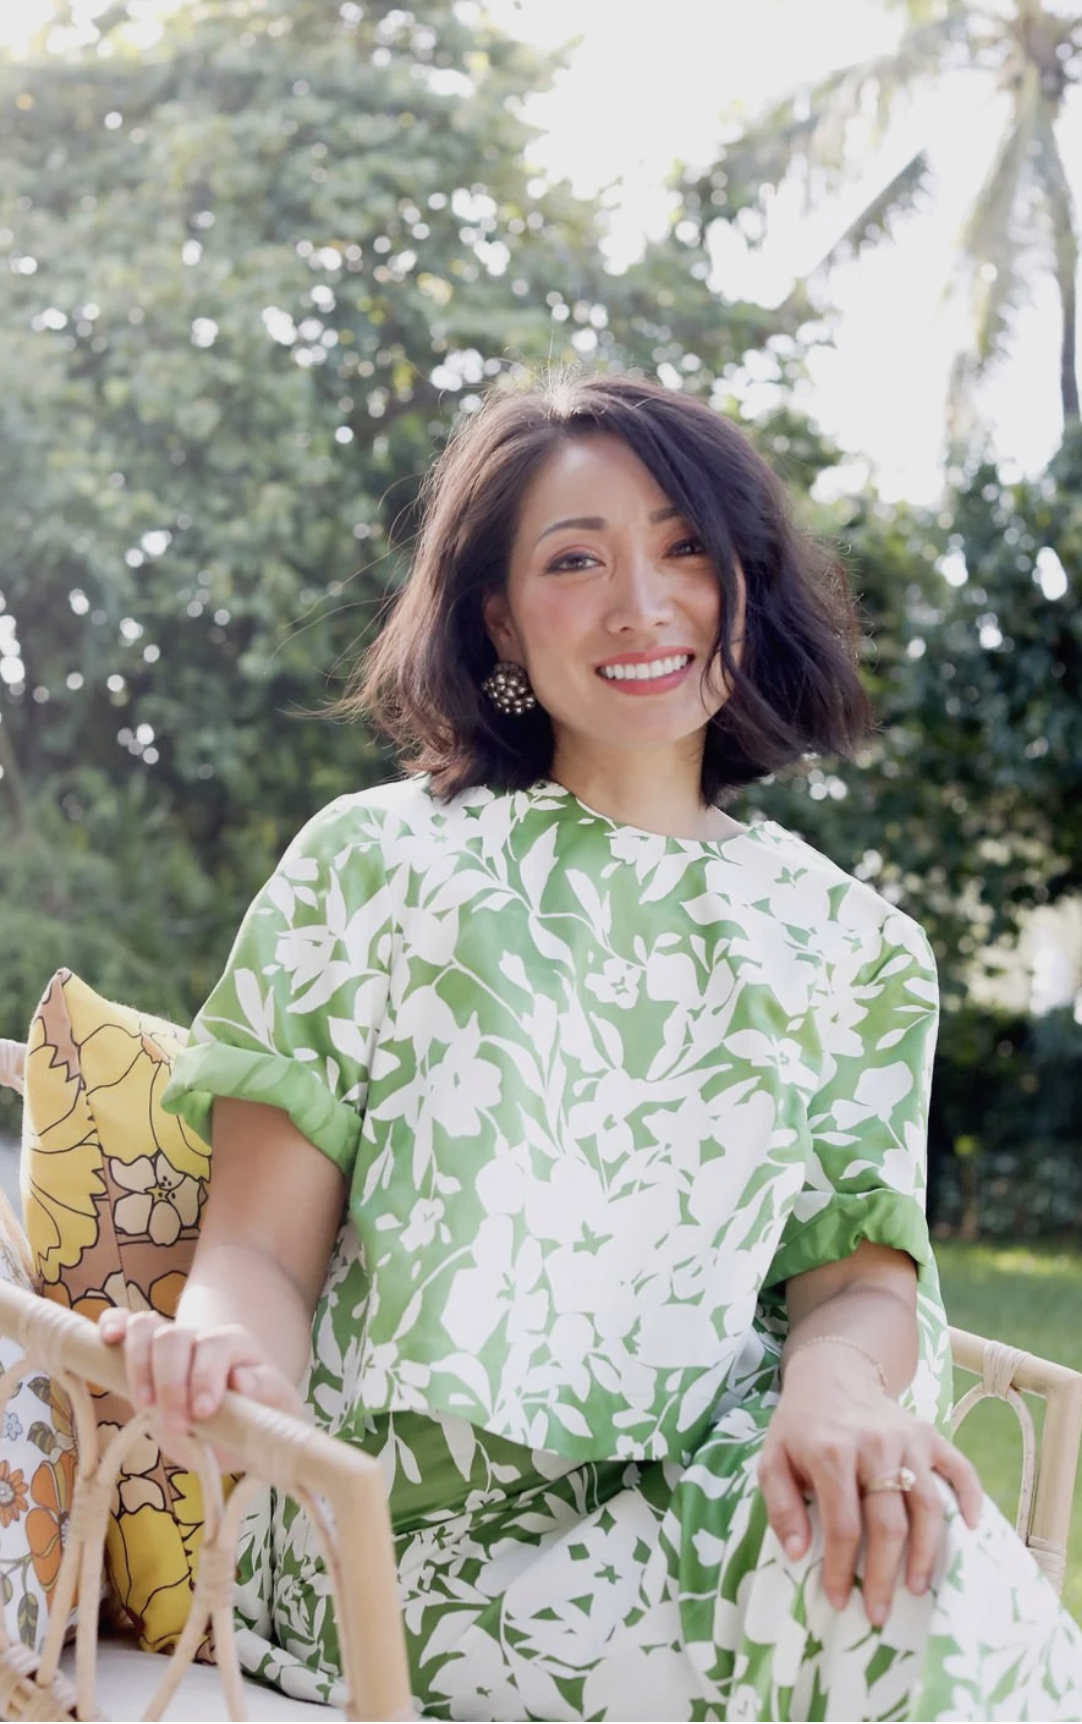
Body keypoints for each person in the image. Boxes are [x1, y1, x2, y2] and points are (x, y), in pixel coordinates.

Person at [100, 374, 1082, 1721]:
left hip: (723, 1487)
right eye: (577, 560)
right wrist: (224, 1360)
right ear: (499, 614)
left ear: (747, 580)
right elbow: (259, 1252)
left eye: (687, 548)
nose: (641, 604)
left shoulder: (850, 945)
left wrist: (838, 1388)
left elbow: (856, 1276)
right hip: (404, 1541)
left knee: (932, 1584)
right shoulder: (375, 866)